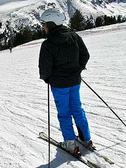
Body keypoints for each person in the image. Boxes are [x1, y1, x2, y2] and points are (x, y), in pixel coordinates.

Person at [38, 8, 94, 155]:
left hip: (59, 85)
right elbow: (85, 55)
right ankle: (86, 139)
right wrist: (77, 70)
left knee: (64, 113)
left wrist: (48, 78)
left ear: (51, 24)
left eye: (44, 24)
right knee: (77, 109)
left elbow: (44, 68)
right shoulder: (74, 36)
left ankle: (71, 143)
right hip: (75, 81)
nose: (43, 27)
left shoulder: (48, 44)